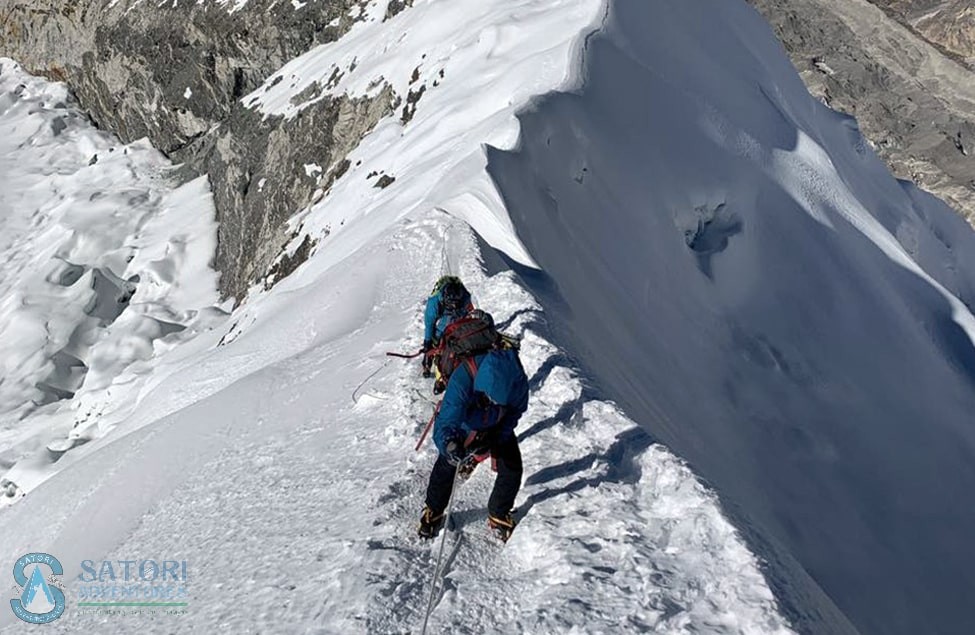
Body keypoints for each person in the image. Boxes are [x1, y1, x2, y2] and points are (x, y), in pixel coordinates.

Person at [418, 310, 530, 542]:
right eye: (488, 396)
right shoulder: (463, 378)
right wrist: (449, 443)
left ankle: (498, 513)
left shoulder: (517, 381)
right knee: (447, 462)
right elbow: (446, 421)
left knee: (512, 467)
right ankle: (433, 510)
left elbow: (515, 411)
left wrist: (499, 435)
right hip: (466, 421)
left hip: (496, 422)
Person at [421, 276, 474, 382]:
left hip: (459, 314)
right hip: (444, 313)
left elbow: (468, 314)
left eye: (455, 304)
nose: (453, 306)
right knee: (437, 335)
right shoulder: (434, 303)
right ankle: (427, 363)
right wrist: (428, 343)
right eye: (451, 304)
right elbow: (429, 324)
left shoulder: (465, 298)